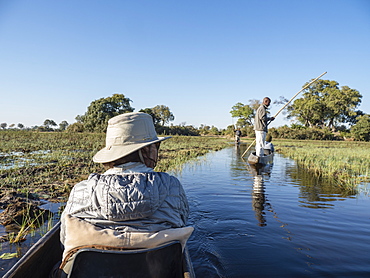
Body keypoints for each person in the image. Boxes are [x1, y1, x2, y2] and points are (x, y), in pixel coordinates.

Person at [58, 112, 190, 276]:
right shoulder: (173, 186)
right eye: (156, 146)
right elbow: (182, 222)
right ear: (147, 150)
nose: (157, 151)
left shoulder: (80, 189)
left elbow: (64, 240)